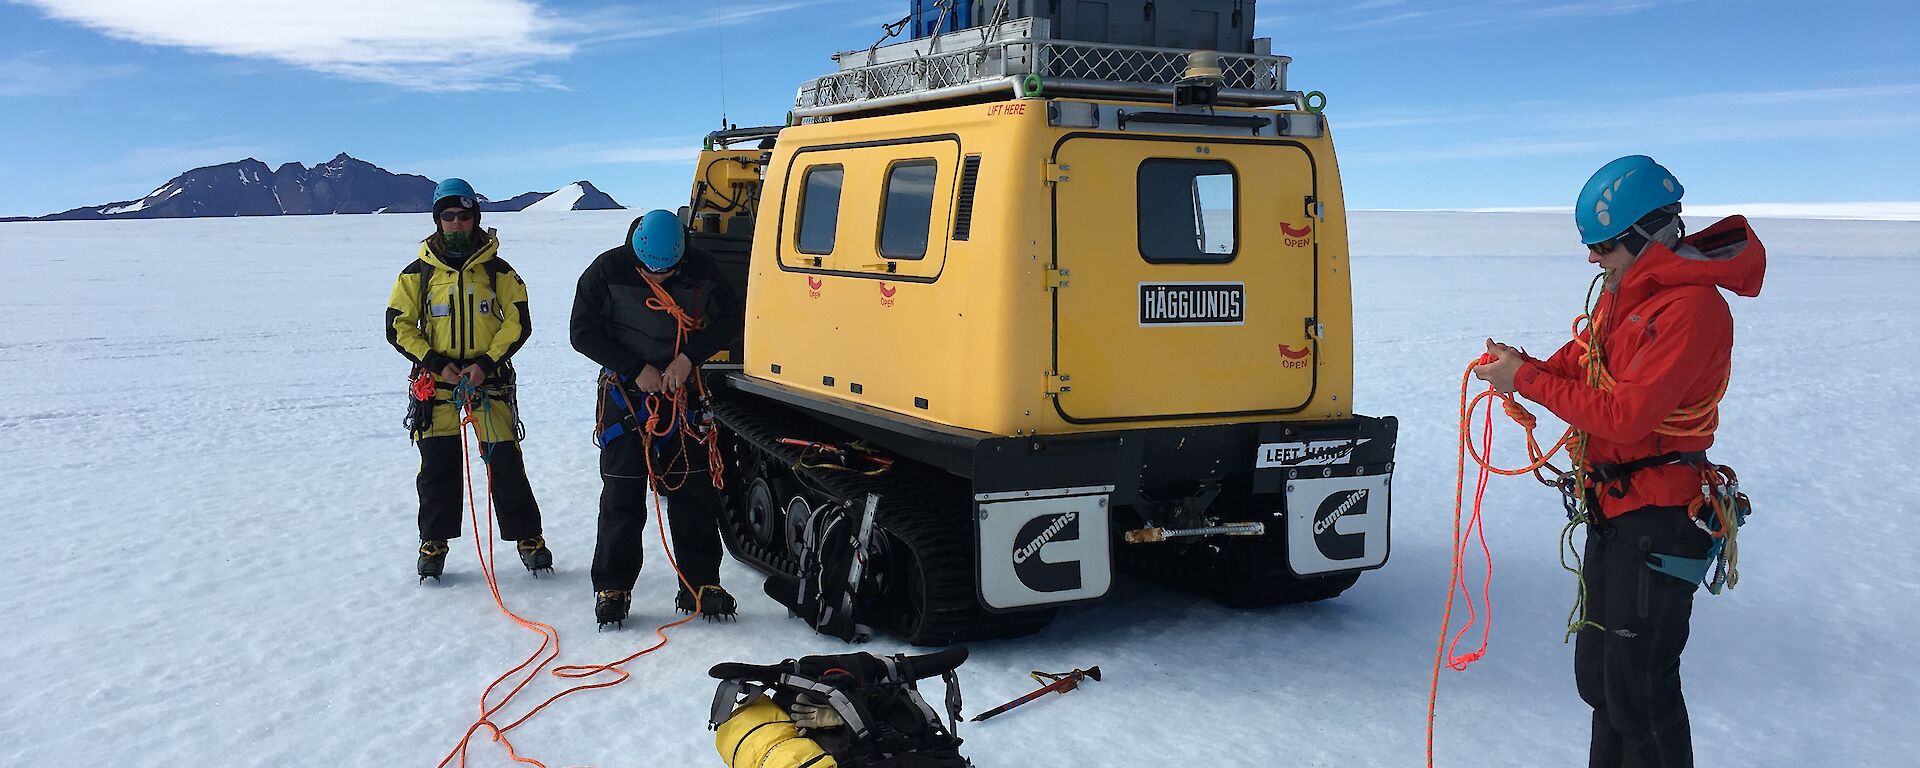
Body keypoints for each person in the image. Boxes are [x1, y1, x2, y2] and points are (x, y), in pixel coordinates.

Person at [1474, 155, 1765, 768]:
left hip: (1660, 518)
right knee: (1603, 681)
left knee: (1640, 688)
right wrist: (1521, 367)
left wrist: (1524, 378)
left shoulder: (1689, 309)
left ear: (1643, 236)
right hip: (1615, 511)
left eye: (1602, 244)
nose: (1591, 258)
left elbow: (1626, 417)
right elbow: (1577, 366)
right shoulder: (1623, 299)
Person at [570, 209, 745, 627]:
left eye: (668, 272)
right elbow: (582, 332)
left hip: (681, 394)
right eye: (652, 271)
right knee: (622, 493)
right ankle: (612, 585)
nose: (660, 277)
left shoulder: (700, 268)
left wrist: (688, 358)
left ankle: (700, 583)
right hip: (627, 398)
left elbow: (732, 316)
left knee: (693, 491)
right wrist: (634, 368)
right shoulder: (607, 270)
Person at [385, 178, 552, 581]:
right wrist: (436, 362)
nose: (457, 223)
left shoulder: (498, 270)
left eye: (464, 215)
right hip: (437, 386)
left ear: (475, 217)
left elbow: (517, 322)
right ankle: (434, 541)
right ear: (438, 220)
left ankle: (529, 538)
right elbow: (399, 325)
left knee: (506, 462)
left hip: (488, 382)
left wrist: (486, 363)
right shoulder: (417, 273)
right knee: (437, 466)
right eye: (449, 216)